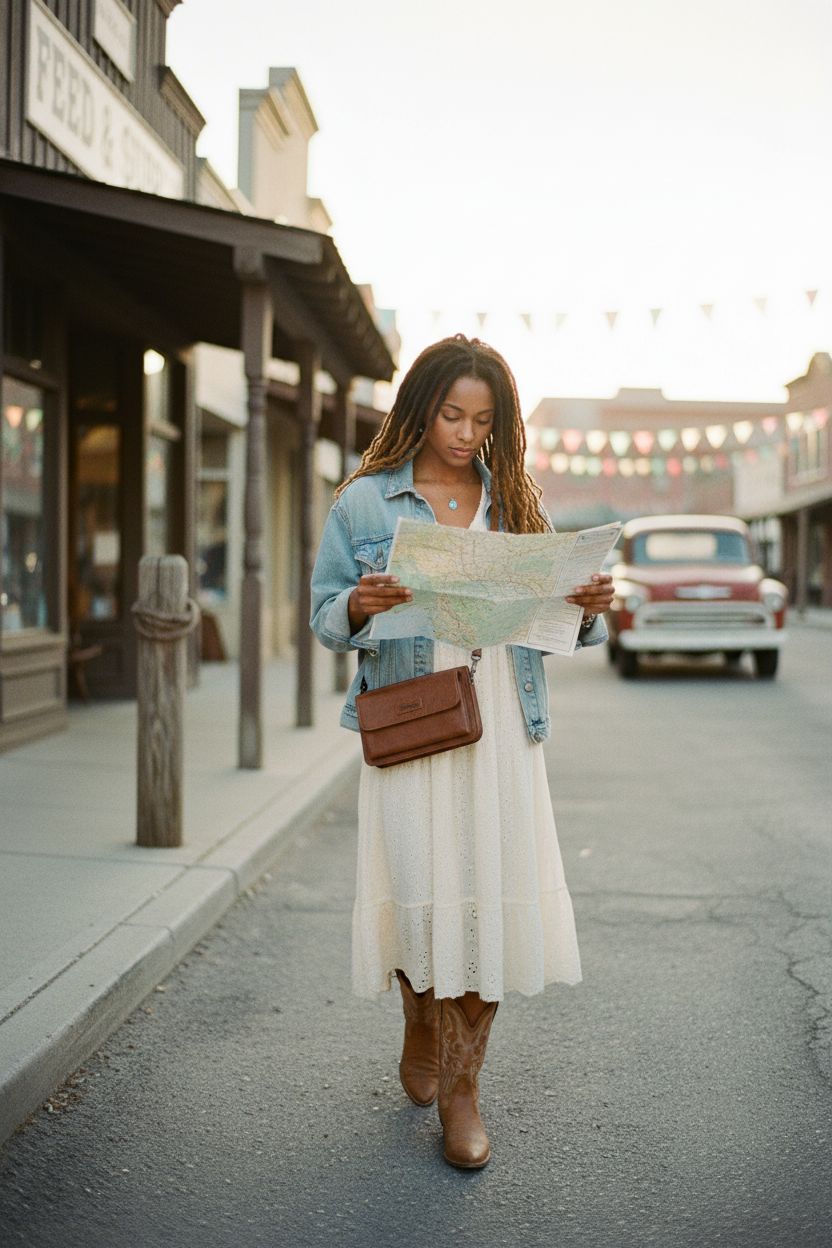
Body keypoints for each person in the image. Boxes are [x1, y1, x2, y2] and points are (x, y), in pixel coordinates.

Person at [310, 335, 614, 1170]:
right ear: (419, 407)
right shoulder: (365, 505)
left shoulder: (516, 506)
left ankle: (463, 1088)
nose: (465, 434)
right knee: (422, 886)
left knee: (485, 894)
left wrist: (586, 606)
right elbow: (325, 615)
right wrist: (362, 607)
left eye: (483, 420)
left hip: (501, 732)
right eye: (451, 414)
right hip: (411, 718)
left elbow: (559, 630)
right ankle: (419, 1014)